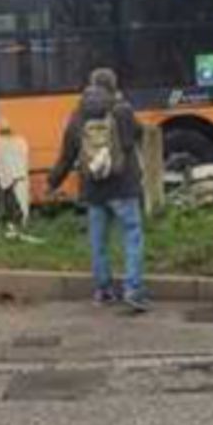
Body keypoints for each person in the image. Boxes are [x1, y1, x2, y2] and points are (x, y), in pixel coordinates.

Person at [46, 68, 149, 312]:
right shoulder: (122, 110)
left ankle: (103, 290)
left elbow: (67, 154)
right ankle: (133, 289)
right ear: (114, 86)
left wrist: (52, 182)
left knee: (98, 241)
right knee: (132, 235)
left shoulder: (78, 114)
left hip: (93, 188)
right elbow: (136, 136)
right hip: (123, 186)